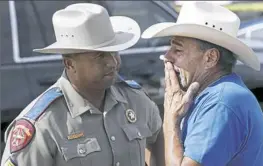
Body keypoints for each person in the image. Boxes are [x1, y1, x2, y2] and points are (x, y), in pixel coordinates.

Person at [1, 3, 162, 166]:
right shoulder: (43, 124)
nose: (112, 62)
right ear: (69, 64)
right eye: (100, 56)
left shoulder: (136, 101)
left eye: (115, 52)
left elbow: (159, 141)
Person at [142, 1, 263, 166]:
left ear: (210, 58)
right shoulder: (218, 94)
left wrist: (170, 117)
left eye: (178, 50)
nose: (167, 56)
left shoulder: (221, 102)